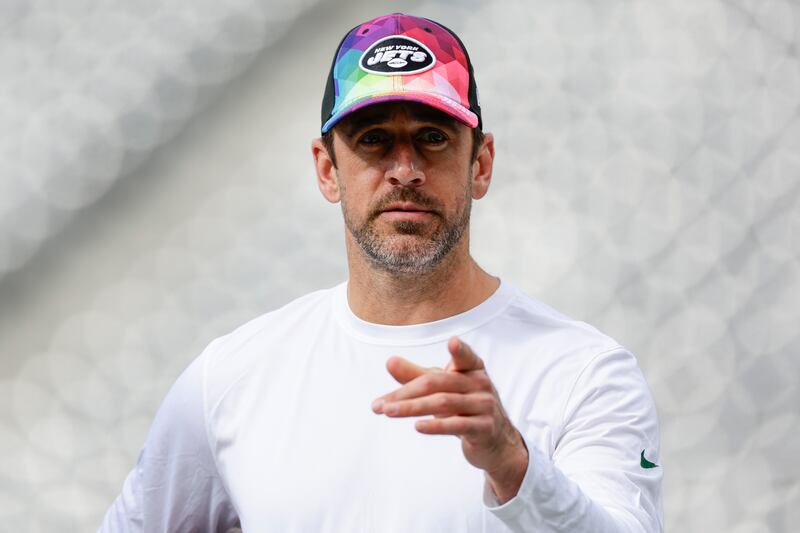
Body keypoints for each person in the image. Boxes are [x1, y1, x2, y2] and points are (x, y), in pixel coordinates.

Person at [99, 13, 663, 533]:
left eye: (433, 137)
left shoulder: (584, 373)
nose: (406, 170)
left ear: (482, 164)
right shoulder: (230, 378)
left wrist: (514, 465)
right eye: (374, 140)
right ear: (327, 170)